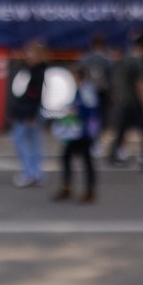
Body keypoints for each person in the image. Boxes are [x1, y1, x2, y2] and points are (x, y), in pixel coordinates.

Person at [106, 31, 143, 173]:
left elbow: (116, 82)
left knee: (122, 129)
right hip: (135, 103)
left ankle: (114, 154)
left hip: (124, 101)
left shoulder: (125, 60)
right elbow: (141, 85)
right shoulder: (138, 63)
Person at [51, 63, 101, 204]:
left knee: (85, 160)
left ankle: (89, 191)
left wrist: (75, 112)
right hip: (76, 132)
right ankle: (68, 187)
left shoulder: (86, 90)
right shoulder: (79, 90)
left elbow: (90, 110)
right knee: (68, 157)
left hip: (84, 132)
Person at [8, 39, 48, 188]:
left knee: (20, 141)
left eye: (30, 53)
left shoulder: (38, 72)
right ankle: (36, 173)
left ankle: (29, 173)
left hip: (29, 113)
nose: (27, 56)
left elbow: (34, 96)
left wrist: (30, 115)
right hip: (29, 111)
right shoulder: (33, 70)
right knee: (34, 142)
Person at [77, 32, 113, 153]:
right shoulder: (104, 58)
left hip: (94, 91)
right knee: (96, 118)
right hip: (95, 91)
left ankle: (92, 141)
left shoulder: (88, 57)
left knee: (93, 118)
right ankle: (93, 141)